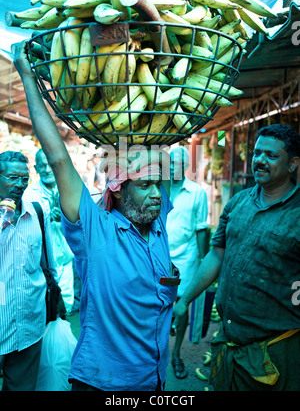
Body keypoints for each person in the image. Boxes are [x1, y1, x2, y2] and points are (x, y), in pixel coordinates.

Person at [12, 40, 178, 392]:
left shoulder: (157, 225)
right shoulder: (95, 230)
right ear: (118, 188)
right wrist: (27, 74)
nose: (156, 194)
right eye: (145, 184)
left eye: (158, 185)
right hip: (102, 383)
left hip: (154, 381)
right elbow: (58, 158)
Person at [173, 123, 300, 391]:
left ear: (292, 164)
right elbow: (216, 257)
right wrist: (185, 300)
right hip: (229, 345)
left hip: (274, 353)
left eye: (272, 156)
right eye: (257, 153)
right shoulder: (238, 202)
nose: (260, 161)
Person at [0, 150, 56, 391]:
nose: (19, 185)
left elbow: (48, 264)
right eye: (12, 178)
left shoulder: (37, 212)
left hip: (29, 324)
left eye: (24, 178)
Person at [166, 146, 208, 379]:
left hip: (187, 258)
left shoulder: (197, 193)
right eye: (170, 163)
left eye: (179, 164)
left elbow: (202, 229)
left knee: (181, 309)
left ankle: (176, 354)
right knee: (156, 305)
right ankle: (155, 351)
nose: (174, 168)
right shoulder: (158, 189)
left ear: (186, 167)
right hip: (159, 258)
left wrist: (204, 262)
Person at [24, 149, 74, 313]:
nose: (46, 170)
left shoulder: (70, 190)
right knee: (42, 309)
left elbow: (84, 223)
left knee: (65, 307)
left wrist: (68, 218)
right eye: (41, 166)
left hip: (64, 259)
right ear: (36, 169)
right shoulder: (29, 195)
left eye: (49, 165)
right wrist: (46, 220)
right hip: (40, 265)